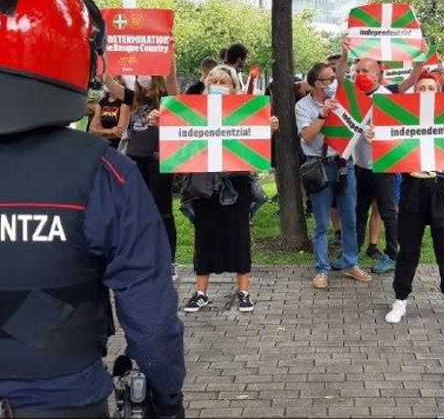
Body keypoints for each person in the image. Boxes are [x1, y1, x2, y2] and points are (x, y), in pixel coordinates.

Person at [0, 0, 184, 417]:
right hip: (63, 401)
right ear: (80, 61)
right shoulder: (105, 173)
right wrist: (167, 398)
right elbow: (150, 318)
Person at [181, 65, 279, 312]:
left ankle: (244, 291)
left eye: (223, 81)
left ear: (233, 86)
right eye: (213, 80)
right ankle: (200, 292)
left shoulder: (245, 113)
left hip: (237, 182)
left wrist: (267, 127)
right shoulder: (195, 113)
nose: (218, 84)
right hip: (206, 184)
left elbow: (255, 143)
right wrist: (163, 123)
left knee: (239, 234)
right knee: (204, 237)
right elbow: (180, 136)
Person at [377, 71, 444, 326]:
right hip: (413, 188)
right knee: (408, 248)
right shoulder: (404, 119)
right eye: (421, 88)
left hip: (442, 189)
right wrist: (375, 136)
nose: (426, 91)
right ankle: (400, 300)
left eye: (431, 87)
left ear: (438, 91)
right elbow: (388, 143)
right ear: (414, 92)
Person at [336, 51, 422, 274]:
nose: (360, 75)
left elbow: (399, 130)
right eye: (358, 71)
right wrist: (345, 55)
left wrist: (379, 134)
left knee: (388, 212)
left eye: (365, 71)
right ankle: (350, 255)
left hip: (383, 166)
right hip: (360, 165)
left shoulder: (387, 97)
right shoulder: (353, 94)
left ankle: (393, 255)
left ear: (377, 74)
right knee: (358, 211)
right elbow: (338, 77)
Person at [296, 62, 372, 288]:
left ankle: (350, 263)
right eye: (329, 79)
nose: (334, 82)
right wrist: (323, 114)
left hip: (343, 164)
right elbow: (307, 137)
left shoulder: (342, 101)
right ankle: (322, 269)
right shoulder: (303, 107)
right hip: (318, 167)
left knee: (350, 217)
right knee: (322, 221)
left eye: (334, 78)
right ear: (317, 84)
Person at [105, 69, 180, 279]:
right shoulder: (134, 97)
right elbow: (111, 85)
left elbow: (172, 79)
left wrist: (168, 59)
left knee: (163, 211)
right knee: (139, 211)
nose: (141, 78)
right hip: (136, 158)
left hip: (160, 160)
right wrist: (104, 68)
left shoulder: (165, 98)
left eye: (145, 73)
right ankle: (144, 259)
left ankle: (169, 261)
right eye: (138, 75)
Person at [89, 79, 132, 148]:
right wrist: (109, 131)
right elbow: (92, 129)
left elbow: (119, 133)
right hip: (100, 143)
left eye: (114, 80)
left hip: (117, 145)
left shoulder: (124, 103)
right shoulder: (102, 102)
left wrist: (100, 132)